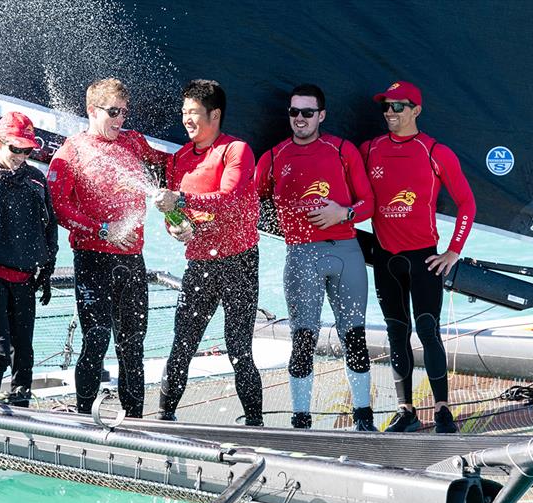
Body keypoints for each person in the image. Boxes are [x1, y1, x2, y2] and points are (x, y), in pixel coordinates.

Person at [255, 84, 376, 430]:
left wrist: (344, 213)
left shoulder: (341, 150)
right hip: (301, 256)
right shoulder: (275, 157)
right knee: (303, 339)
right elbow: (250, 202)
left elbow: (368, 203)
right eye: (294, 112)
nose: (300, 119)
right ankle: (301, 419)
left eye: (308, 112)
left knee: (353, 335)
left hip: (346, 254)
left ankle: (363, 417)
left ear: (321, 115)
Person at [48, 78, 168, 418]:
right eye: (113, 112)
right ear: (91, 110)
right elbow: (58, 206)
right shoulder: (71, 151)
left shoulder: (134, 141)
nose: (120, 120)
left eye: (124, 113)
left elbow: (170, 164)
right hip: (93, 260)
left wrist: (174, 204)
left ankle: (135, 421)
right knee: (97, 339)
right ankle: (86, 416)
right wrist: (104, 230)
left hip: (132, 260)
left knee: (132, 346)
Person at [361, 81, 476, 433]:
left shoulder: (435, 151)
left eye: (398, 106)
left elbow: (467, 205)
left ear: (416, 111)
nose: (390, 113)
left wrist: (453, 251)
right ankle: (405, 410)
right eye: (386, 107)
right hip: (385, 258)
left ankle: (442, 409)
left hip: (424, 259)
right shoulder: (368, 150)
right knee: (397, 333)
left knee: (428, 331)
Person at [154, 79, 264, 426]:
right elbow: (175, 218)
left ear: (214, 114)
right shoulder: (178, 159)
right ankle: (164, 418)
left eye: (194, 113)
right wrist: (176, 227)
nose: (186, 119)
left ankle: (256, 423)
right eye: (184, 112)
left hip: (239, 263)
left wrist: (182, 201)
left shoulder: (236, 151)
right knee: (181, 346)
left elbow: (229, 199)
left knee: (239, 349)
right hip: (200, 264)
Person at [0, 111, 58, 405]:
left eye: (27, 150)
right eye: (14, 148)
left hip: (26, 278)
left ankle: (21, 406)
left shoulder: (36, 180)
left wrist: (47, 270)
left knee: (24, 351)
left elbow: (49, 226)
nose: (20, 155)